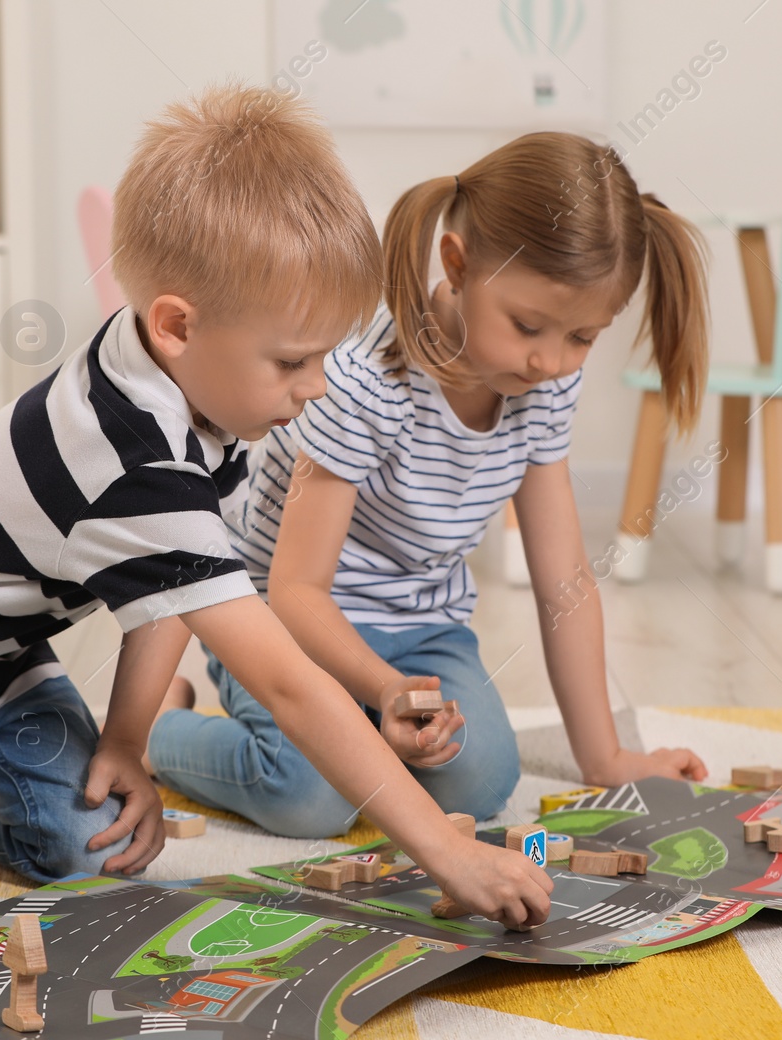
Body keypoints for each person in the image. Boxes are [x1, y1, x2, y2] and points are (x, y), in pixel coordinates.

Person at [0, 83, 553, 931]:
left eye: (324, 357)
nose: (316, 389)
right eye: (292, 361)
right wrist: (444, 852)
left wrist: (126, 737)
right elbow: (287, 682)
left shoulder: (192, 380)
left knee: (94, 847)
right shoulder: (128, 455)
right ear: (177, 325)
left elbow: (163, 593)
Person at [148, 133, 711, 837]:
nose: (549, 360)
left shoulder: (543, 388)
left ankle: (368, 735)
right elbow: (295, 593)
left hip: (421, 630)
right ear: (457, 263)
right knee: (312, 796)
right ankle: (158, 726)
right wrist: (385, 690)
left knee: (482, 780)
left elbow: (565, 579)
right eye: (528, 324)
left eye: (582, 337)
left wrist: (609, 756)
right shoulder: (361, 383)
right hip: (284, 625)